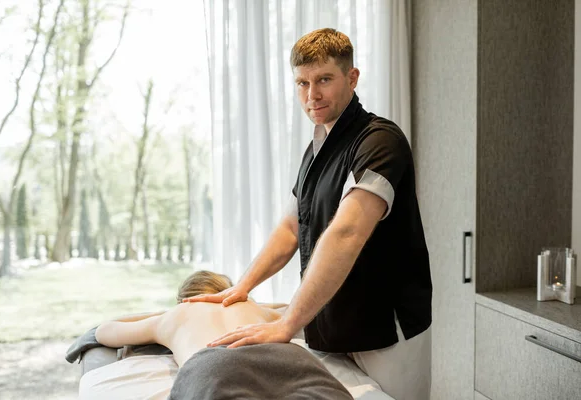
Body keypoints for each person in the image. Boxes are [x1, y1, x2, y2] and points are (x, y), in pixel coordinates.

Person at [184, 28, 432, 400]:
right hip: (333, 324)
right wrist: (241, 287)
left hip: (386, 331)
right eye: (302, 82)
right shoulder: (316, 149)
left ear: (352, 78)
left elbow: (347, 232)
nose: (311, 94)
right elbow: (290, 228)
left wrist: (287, 324)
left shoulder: (381, 142)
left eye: (324, 80)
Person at [94, 270, 353, 400]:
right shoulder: (252, 307)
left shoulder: (174, 316)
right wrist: (255, 303)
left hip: (215, 366)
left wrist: (161, 314)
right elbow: (294, 307)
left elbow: (105, 331)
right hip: (288, 360)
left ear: (182, 300)